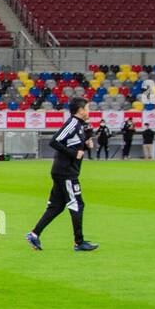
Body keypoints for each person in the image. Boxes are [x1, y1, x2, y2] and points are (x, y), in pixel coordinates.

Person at [27, 98, 98, 252]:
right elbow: (55, 141)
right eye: (87, 108)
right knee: (77, 204)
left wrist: (86, 143)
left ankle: (34, 234)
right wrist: (74, 153)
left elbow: (73, 143)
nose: (89, 111)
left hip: (65, 171)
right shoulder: (72, 123)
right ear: (80, 110)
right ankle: (79, 242)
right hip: (65, 172)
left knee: (56, 207)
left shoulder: (79, 125)